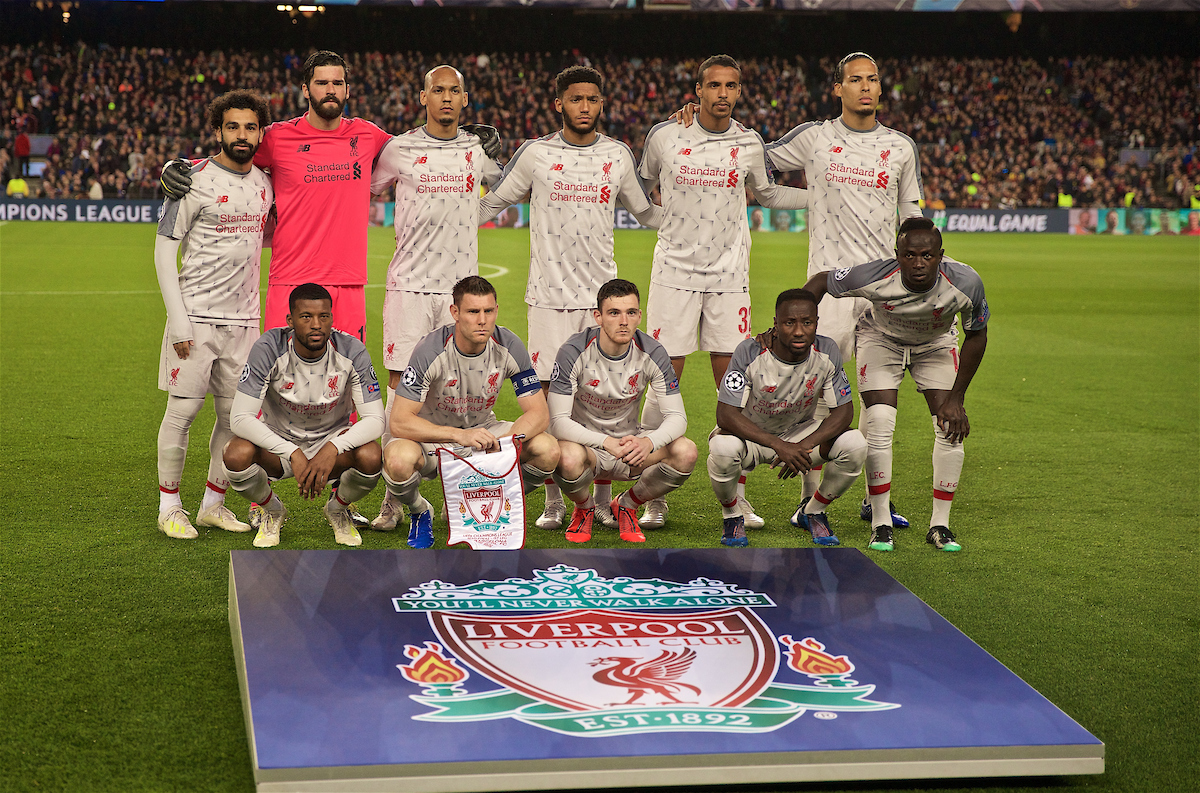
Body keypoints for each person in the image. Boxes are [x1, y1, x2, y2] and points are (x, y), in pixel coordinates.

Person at [161, 51, 500, 341]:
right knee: (279, 384)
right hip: (290, 280)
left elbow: (419, 145)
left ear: (347, 90)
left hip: (348, 283)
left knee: (348, 384)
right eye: (322, 83)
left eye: (337, 83)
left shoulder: (368, 136)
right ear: (306, 89)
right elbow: (232, 152)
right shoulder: (278, 138)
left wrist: (468, 135)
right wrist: (178, 166)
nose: (330, 90)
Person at [477, 65, 665, 532]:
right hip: (546, 298)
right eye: (576, 99)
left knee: (600, 398)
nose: (585, 107)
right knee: (545, 400)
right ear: (558, 103)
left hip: (599, 301)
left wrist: (694, 193)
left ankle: (601, 497)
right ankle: (556, 498)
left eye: (593, 99)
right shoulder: (535, 154)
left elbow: (646, 213)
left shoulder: (617, 155)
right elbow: (492, 203)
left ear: (602, 104)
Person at [639, 54, 807, 531]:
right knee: (660, 384)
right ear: (697, 90)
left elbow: (770, 194)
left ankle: (735, 500)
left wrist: (824, 198)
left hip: (729, 277)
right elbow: (640, 187)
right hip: (673, 273)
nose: (722, 94)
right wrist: (664, 226)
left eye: (731, 85)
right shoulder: (665, 135)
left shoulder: (749, 142)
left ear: (739, 91)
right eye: (713, 85)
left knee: (736, 388)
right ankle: (653, 494)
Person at [366, 64, 504, 530]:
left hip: (459, 294)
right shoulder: (399, 149)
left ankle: (457, 493)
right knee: (400, 392)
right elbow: (363, 188)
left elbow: (505, 189)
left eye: (454, 91)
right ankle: (393, 499)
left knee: (457, 392)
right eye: (437, 90)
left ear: (466, 100)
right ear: (422, 97)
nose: (446, 98)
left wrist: (477, 206)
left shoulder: (475, 151)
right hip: (407, 287)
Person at [802, 217, 989, 553]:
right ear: (897, 254)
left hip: (935, 344)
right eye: (910, 255)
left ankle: (940, 525)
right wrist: (800, 327)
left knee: (949, 426)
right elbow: (820, 282)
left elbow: (977, 334)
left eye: (928, 256)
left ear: (941, 255)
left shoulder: (966, 281)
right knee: (879, 423)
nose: (919, 264)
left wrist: (956, 399)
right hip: (881, 339)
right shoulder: (875, 275)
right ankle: (881, 522)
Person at [152, 90, 274, 540]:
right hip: (196, 317)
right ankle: (169, 507)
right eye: (232, 127)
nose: (241, 135)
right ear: (217, 130)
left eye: (249, 127)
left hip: (244, 322)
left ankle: (212, 505)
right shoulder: (192, 180)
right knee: (182, 411)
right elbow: (165, 250)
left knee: (232, 418)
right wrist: (179, 319)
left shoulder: (265, 182)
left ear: (260, 132)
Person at [380, 276, 560, 549]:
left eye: (488, 311)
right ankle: (420, 510)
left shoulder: (509, 344)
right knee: (397, 459)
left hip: (483, 433)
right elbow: (400, 422)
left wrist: (504, 443)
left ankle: (475, 498)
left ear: (497, 310)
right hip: (435, 437)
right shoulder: (431, 350)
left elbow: (538, 413)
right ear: (455, 313)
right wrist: (457, 436)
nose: (482, 320)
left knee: (548, 450)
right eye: (473, 312)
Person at [223, 284, 385, 548]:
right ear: (290, 320)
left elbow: (376, 420)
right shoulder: (269, 348)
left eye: (324, 317)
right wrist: (292, 452)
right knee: (235, 454)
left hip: (333, 442)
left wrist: (333, 447)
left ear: (332, 318)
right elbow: (240, 418)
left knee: (371, 455)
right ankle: (272, 510)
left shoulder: (352, 350)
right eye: (306, 317)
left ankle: (338, 509)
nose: (316, 324)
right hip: (279, 442)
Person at [708, 289, 866, 548]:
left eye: (807, 322)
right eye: (789, 323)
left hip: (799, 435)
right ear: (775, 323)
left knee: (855, 444)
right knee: (722, 448)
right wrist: (779, 445)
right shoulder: (749, 352)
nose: (799, 331)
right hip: (752, 436)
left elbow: (844, 412)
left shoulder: (827, 351)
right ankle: (732, 516)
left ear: (816, 322)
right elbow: (725, 415)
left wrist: (803, 445)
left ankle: (812, 511)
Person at [548, 279, 697, 544]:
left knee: (686, 452)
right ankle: (584, 508)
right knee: (565, 457)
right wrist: (605, 442)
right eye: (614, 313)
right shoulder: (573, 351)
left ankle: (627, 504)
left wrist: (647, 442)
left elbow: (678, 417)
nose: (623, 321)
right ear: (598, 316)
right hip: (587, 450)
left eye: (630, 312)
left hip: (631, 448)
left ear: (640, 315)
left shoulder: (652, 351)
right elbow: (557, 422)